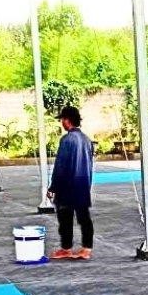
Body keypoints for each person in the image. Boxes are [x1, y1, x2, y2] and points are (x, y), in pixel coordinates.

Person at [47, 105, 94, 260]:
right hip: (83, 184)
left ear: (67, 120)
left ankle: (66, 248)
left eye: (62, 119)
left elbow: (60, 166)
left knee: (65, 219)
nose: (62, 123)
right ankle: (86, 248)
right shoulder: (87, 140)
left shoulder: (67, 140)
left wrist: (53, 187)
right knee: (84, 217)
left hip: (67, 185)